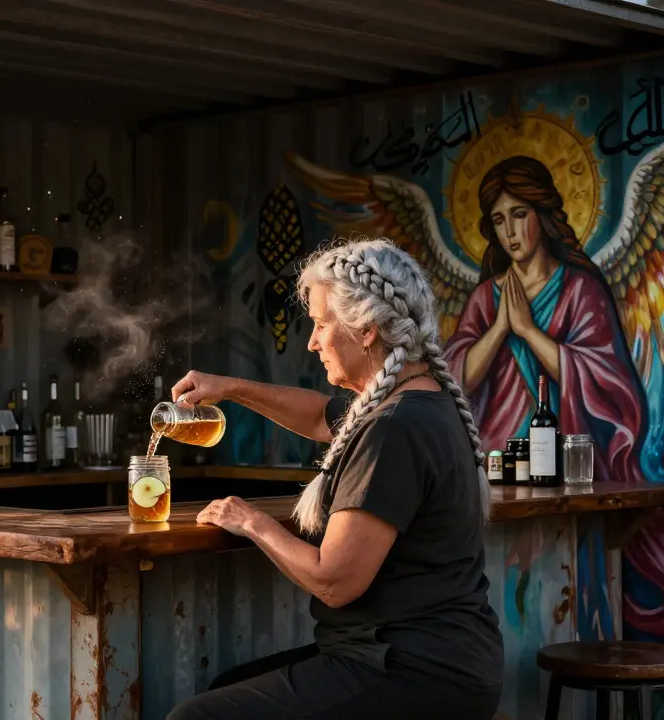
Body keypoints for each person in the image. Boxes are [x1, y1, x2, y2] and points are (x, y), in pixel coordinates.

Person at [166, 238, 504, 720]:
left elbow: (335, 581)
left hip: (413, 671)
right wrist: (232, 388)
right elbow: (322, 418)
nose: (312, 341)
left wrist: (253, 522)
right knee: (227, 688)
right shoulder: (415, 399)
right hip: (440, 661)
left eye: (322, 324)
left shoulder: (393, 427)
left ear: (365, 330)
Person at [444, 155, 664, 636]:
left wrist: (529, 332)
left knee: (558, 597)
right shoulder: (487, 298)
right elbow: (454, 377)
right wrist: (501, 329)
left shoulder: (580, 291)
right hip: (500, 470)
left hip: (566, 472)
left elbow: (608, 381)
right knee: (495, 598)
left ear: (544, 214)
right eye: (499, 220)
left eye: (520, 214)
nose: (510, 231)